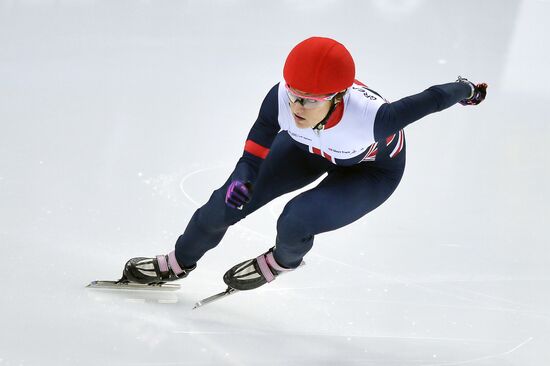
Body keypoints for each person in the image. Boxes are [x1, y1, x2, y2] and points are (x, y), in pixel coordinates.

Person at [121, 36, 487, 291]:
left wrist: (468, 90)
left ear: (337, 97)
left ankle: (282, 262)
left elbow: (435, 97)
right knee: (224, 203)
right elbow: (260, 137)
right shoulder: (283, 97)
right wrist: (245, 175)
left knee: (295, 219)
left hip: (369, 173)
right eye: (294, 96)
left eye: (309, 101)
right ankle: (178, 262)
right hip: (306, 149)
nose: (296, 108)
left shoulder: (375, 119)